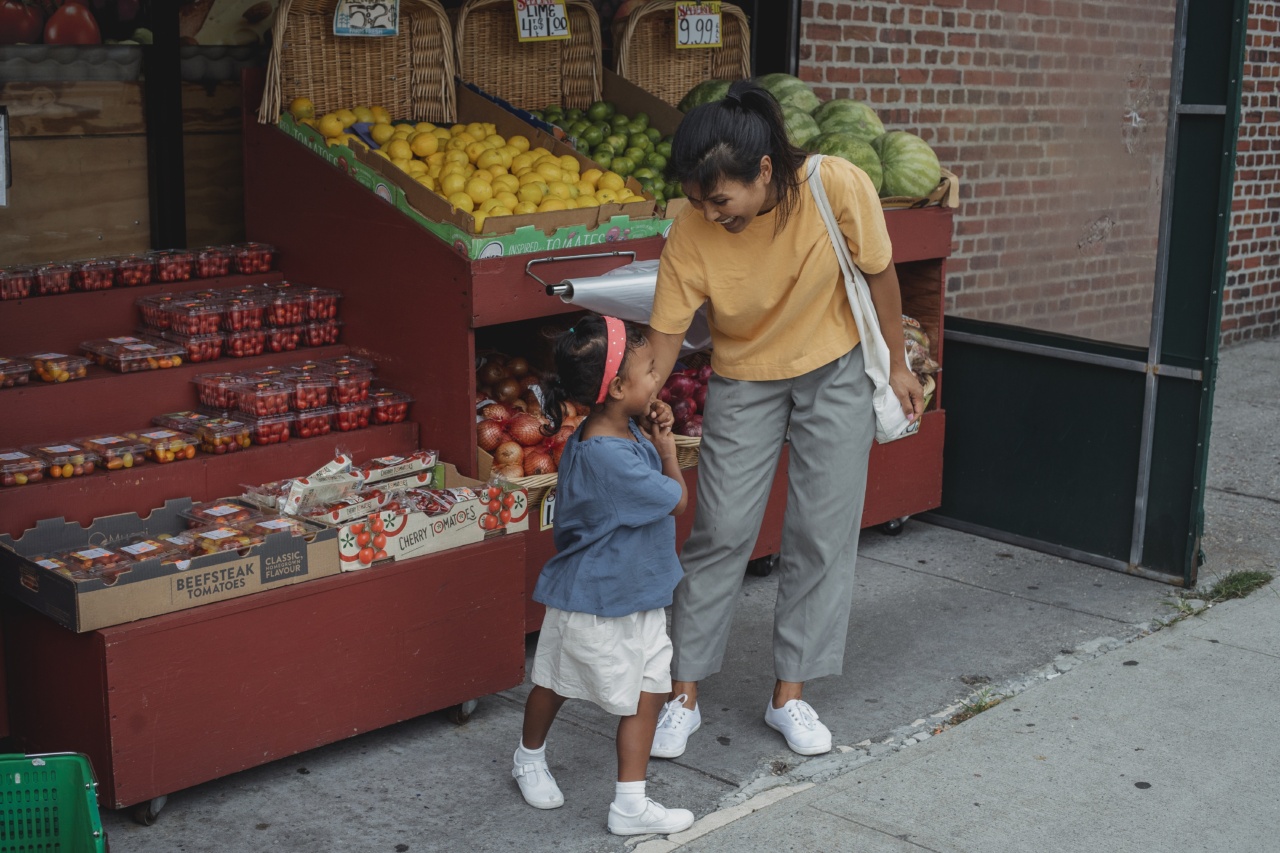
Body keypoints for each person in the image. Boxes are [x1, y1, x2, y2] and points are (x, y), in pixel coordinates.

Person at [644, 80, 923, 759]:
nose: (712, 214)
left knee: (821, 531)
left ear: (764, 170)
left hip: (834, 364)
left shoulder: (838, 184)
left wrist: (895, 364)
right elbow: (664, 335)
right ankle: (683, 692)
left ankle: (789, 695)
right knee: (722, 529)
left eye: (721, 199)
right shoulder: (691, 228)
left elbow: (881, 273)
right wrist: (635, 397)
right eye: (698, 201)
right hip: (744, 373)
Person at [510, 314, 696, 837]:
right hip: (593, 596)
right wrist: (666, 447)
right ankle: (528, 757)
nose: (658, 380)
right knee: (556, 683)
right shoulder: (610, 455)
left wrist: (649, 429)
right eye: (650, 373)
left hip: (637, 590)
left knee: (650, 688)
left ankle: (630, 804)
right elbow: (678, 500)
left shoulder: (614, 428)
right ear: (616, 388)